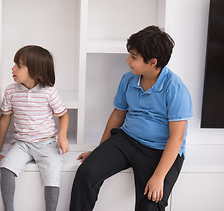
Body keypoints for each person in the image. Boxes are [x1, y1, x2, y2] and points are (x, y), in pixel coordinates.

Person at [70, 26, 193, 211]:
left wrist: (159, 176)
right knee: (87, 171)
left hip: (160, 150)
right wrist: (100, 151)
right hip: (127, 140)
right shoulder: (129, 79)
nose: (128, 61)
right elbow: (118, 114)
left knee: (150, 204)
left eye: (133, 57)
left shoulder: (176, 89)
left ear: (152, 62)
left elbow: (176, 138)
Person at [0, 45, 70, 211]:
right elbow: (5, 118)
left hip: (47, 144)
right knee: (6, 168)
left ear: (36, 72)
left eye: (19, 65)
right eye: (14, 64)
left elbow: (63, 115)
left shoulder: (49, 92)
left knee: (52, 175)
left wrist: (62, 137)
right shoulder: (11, 91)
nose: (13, 68)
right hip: (22, 144)